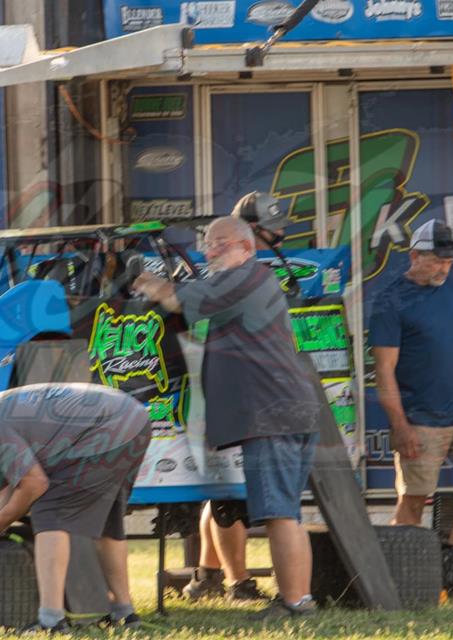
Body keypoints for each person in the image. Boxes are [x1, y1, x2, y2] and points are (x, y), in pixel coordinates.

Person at [133, 216, 323, 619]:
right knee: (286, 514)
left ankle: (294, 603)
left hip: (271, 415)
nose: (210, 251)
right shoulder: (247, 282)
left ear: (247, 248)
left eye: (221, 243)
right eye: (208, 244)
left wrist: (144, 280)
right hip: (286, 411)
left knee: (278, 514)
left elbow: (175, 298)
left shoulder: (243, 278)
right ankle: (300, 599)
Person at [0, 382, 152, 632]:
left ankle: (51, 621)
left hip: (109, 426)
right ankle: (125, 614)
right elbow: (4, 494)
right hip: (133, 420)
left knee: (48, 510)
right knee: (109, 522)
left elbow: (34, 484)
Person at [368, 219, 453, 589]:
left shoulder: (449, 289)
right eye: (437, 260)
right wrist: (400, 425)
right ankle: (399, 581)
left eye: (449, 261)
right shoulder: (390, 301)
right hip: (420, 416)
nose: (445, 268)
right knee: (414, 501)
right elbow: (384, 370)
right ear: (414, 255)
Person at [182, 192, 288, 603]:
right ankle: (237, 581)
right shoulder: (227, 275)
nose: (279, 237)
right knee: (228, 496)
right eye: (272, 231)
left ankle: (207, 575)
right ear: (249, 233)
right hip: (223, 397)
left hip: (233, 394)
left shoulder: (251, 273)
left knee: (225, 491)